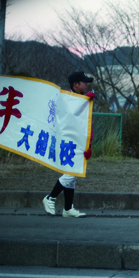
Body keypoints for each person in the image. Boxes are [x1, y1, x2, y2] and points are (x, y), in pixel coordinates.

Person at [42, 71, 95, 218]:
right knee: (71, 173)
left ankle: (67, 208)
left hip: (78, 142)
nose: (86, 84)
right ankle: (50, 197)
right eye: (84, 82)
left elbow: (84, 125)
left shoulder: (81, 98)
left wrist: (88, 145)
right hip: (67, 141)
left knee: (73, 174)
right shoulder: (67, 98)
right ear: (75, 84)